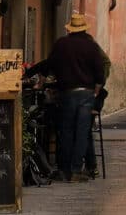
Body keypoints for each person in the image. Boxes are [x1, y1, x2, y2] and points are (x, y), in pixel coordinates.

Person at [29, 12, 106, 182]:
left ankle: (64, 170)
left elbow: (49, 64)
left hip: (67, 92)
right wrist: (96, 91)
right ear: (84, 29)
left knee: (66, 131)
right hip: (86, 93)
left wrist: (41, 80)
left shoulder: (61, 44)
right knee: (82, 131)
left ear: (70, 29)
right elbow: (100, 72)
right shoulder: (91, 46)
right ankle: (76, 170)